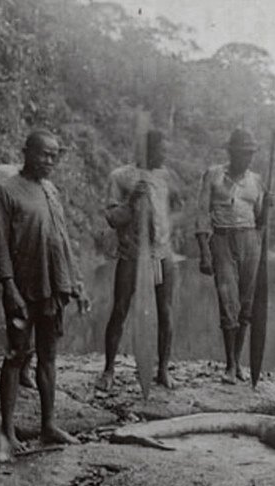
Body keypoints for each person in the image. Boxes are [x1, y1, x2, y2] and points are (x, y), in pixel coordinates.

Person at [0, 129, 91, 451]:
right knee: (16, 356)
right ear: (26, 152)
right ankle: (6, 430)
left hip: (52, 286)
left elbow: (62, 240)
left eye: (54, 155)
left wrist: (76, 283)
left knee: (48, 357)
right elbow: (0, 246)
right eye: (43, 153)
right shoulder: (4, 192)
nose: (49, 160)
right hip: (22, 285)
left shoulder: (51, 190)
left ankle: (48, 425)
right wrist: (9, 288)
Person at [96, 130, 180, 391]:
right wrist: (132, 202)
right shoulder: (121, 177)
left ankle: (163, 370)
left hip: (162, 253)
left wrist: (167, 231)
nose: (165, 155)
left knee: (165, 312)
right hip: (132, 254)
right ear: (147, 151)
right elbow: (112, 218)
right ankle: (109, 370)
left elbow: (177, 210)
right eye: (161, 150)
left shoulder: (167, 176)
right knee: (120, 309)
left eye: (166, 150)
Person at [195, 129, 268, 384]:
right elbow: (203, 213)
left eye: (250, 154)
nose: (247, 158)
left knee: (246, 304)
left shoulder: (256, 181)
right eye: (242, 153)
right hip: (222, 239)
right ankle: (229, 364)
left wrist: (268, 207)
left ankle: (238, 361)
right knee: (228, 301)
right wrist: (204, 251)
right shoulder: (213, 175)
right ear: (231, 152)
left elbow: (259, 220)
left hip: (250, 240)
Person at [0, 163, 36, 389]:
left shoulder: (34, 189)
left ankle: (25, 366)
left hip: (28, 258)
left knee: (30, 310)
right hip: (7, 253)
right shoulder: (1, 186)